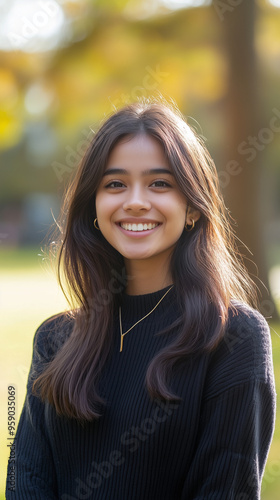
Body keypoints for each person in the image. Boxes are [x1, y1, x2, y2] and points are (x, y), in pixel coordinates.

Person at [6, 100, 276, 500]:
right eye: (115, 184)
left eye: (159, 184)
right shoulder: (55, 339)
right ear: (93, 206)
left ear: (192, 209)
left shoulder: (234, 337)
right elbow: (24, 482)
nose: (134, 201)